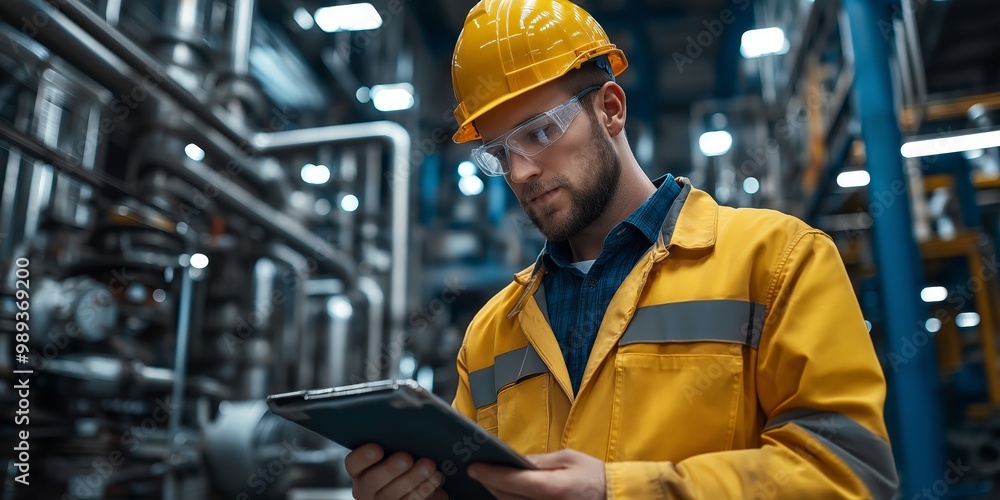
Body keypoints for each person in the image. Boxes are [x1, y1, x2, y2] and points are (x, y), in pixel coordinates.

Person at [346, 0, 898, 498]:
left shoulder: (777, 261)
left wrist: (620, 491)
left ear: (610, 108)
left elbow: (848, 474)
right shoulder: (492, 333)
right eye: (500, 152)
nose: (521, 171)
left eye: (538, 133)